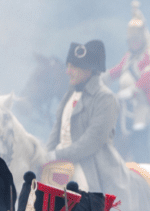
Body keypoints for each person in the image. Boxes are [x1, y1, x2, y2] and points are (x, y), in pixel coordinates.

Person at [47, 40, 119, 194]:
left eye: (73, 67)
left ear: (88, 70)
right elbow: (56, 132)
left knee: (83, 196)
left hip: (90, 165)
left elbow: (92, 141)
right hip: (61, 161)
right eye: (68, 66)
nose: (68, 71)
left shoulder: (105, 99)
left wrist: (56, 155)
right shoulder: (69, 94)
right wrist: (44, 157)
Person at [107, 1, 150, 161]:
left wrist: (133, 90)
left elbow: (148, 77)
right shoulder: (128, 57)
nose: (134, 43)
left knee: (139, 129)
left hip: (143, 105)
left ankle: (142, 162)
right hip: (123, 105)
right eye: (131, 40)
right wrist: (102, 78)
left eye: (137, 40)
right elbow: (116, 71)